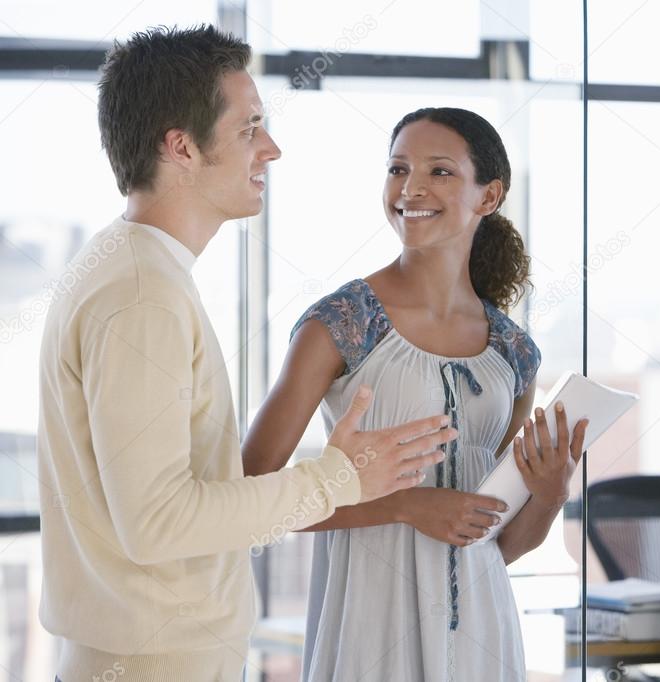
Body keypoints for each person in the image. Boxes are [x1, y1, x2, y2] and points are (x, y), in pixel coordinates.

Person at [36, 26, 456, 682]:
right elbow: (157, 523)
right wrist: (341, 478)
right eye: (250, 127)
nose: (271, 147)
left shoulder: (128, 267)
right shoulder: (143, 296)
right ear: (180, 146)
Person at [242, 107, 588, 681]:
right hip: (368, 630)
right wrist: (404, 506)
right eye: (398, 168)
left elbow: (497, 544)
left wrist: (550, 494)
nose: (411, 188)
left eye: (440, 172)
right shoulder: (343, 323)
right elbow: (250, 500)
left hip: (485, 638)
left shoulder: (514, 353)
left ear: (489, 196)